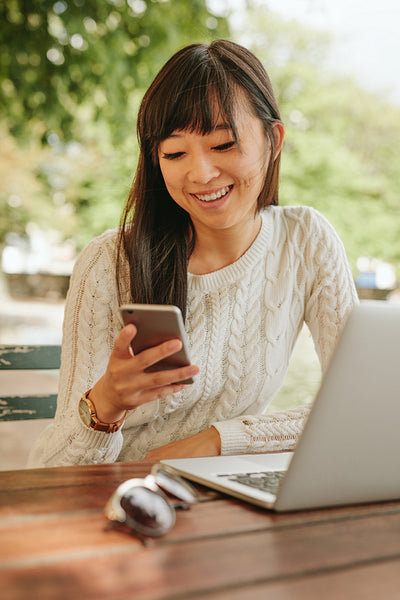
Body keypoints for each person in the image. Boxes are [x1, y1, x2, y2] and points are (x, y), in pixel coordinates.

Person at [28, 39, 358, 468]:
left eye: (223, 145)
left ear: (273, 140)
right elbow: (53, 473)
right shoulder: (110, 261)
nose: (200, 173)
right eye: (175, 152)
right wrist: (105, 404)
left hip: (218, 495)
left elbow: (363, 403)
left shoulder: (305, 240)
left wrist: (221, 440)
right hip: (120, 496)